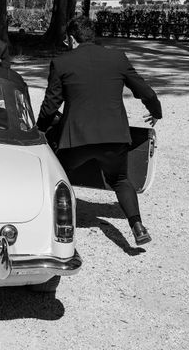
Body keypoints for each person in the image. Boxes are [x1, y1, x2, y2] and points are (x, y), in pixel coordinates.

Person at [36, 16, 162, 246]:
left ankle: (44, 220)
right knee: (121, 179)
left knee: (54, 174)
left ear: (72, 39)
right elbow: (146, 91)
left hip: (77, 140)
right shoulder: (117, 58)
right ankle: (137, 226)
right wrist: (156, 111)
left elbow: (50, 106)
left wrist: (40, 129)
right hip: (115, 137)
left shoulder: (62, 63)